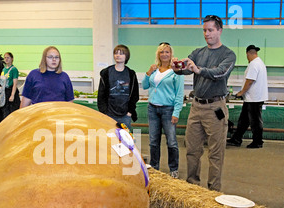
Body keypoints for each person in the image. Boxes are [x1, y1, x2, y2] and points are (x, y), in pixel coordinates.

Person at [172, 15, 236, 191]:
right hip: (196, 106)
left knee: (215, 153)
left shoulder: (228, 55)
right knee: (192, 149)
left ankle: (213, 191)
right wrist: (177, 66)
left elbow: (219, 73)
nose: (206, 34)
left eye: (210, 30)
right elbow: (184, 70)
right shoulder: (198, 53)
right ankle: (193, 188)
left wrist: (197, 69)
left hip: (215, 108)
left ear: (219, 31)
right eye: (204, 30)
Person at [142, 43, 184, 178]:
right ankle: (155, 167)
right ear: (158, 55)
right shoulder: (154, 70)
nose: (164, 55)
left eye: (167, 52)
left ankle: (174, 169)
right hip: (152, 109)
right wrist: (148, 73)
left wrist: (176, 112)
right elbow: (144, 85)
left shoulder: (176, 71)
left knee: (171, 141)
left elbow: (179, 93)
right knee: (153, 141)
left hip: (168, 109)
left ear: (171, 54)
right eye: (161, 52)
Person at [227, 45, 268, 149]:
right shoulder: (259, 63)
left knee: (255, 121)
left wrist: (241, 93)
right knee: (244, 120)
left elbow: (250, 81)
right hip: (252, 98)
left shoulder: (254, 64)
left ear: (248, 53)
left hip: (254, 98)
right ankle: (237, 138)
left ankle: (258, 142)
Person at [97, 44, 139, 131]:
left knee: (125, 140)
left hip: (125, 115)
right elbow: (101, 95)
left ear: (126, 56)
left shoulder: (131, 74)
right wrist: (104, 112)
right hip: (109, 114)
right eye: (116, 53)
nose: (118, 55)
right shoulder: (106, 73)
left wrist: (130, 112)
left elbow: (135, 94)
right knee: (109, 139)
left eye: (121, 53)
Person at [0, 52, 21, 120]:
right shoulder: (4, 69)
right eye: (5, 57)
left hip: (11, 91)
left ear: (12, 59)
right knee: (5, 111)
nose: (6, 59)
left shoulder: (14, 69)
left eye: (8, 57)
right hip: (4, 91)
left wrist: (12, 95)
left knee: (12, 112)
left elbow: (15, 83)